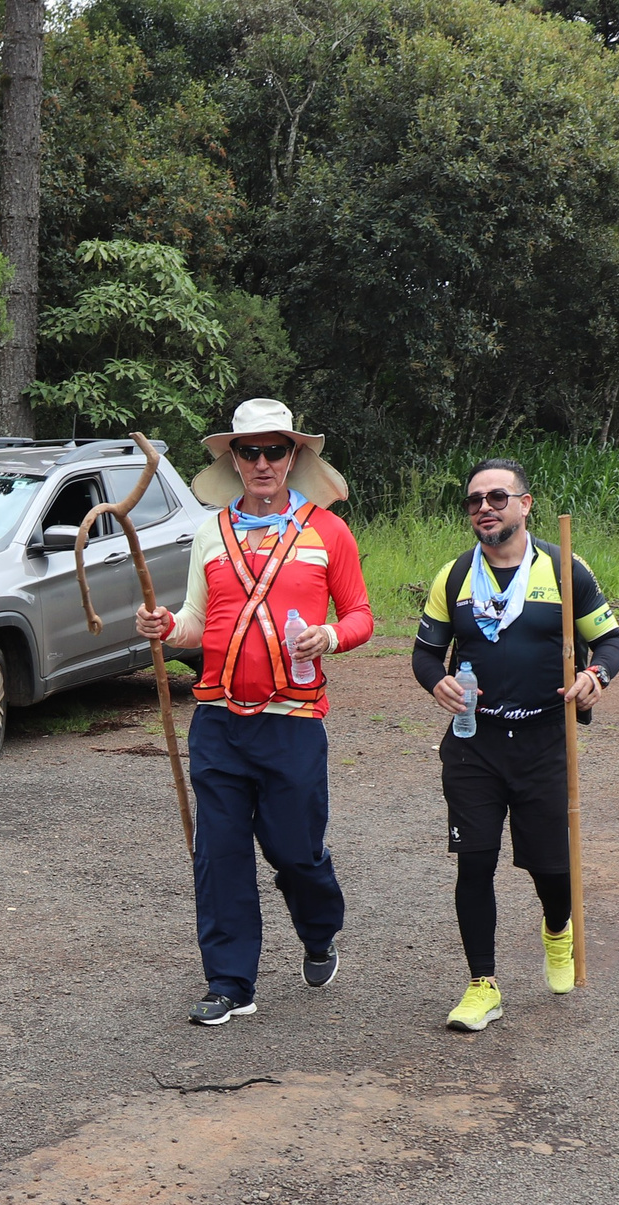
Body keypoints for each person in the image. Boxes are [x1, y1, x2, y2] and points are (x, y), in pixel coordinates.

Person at [133, 398, 374, 1025]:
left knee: (296, 851)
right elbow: (193, 620)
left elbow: (361, 616)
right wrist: (165, 626)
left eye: (274, 450)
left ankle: (319, 928)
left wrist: (329, 636)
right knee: (220, 852)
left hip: (293, 721)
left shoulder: (328, 532)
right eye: (249, 451)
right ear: (233, 460)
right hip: (217, 720)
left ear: (293, 456)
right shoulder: (210, 531)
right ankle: (230, 982)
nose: (262, 462)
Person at [415, 458, 619, 1033]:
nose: (485, 507)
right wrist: (438, 681)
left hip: (543, 744)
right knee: (474, 862)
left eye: (498, 497)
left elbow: (608, 642)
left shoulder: (564, 569)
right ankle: (482, 984)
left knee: (551, 869)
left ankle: (558, 928)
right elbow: (425, 653)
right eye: (475, 499)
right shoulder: (454, 576)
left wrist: (594, 678)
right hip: (473, 744)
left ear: (525, 504)